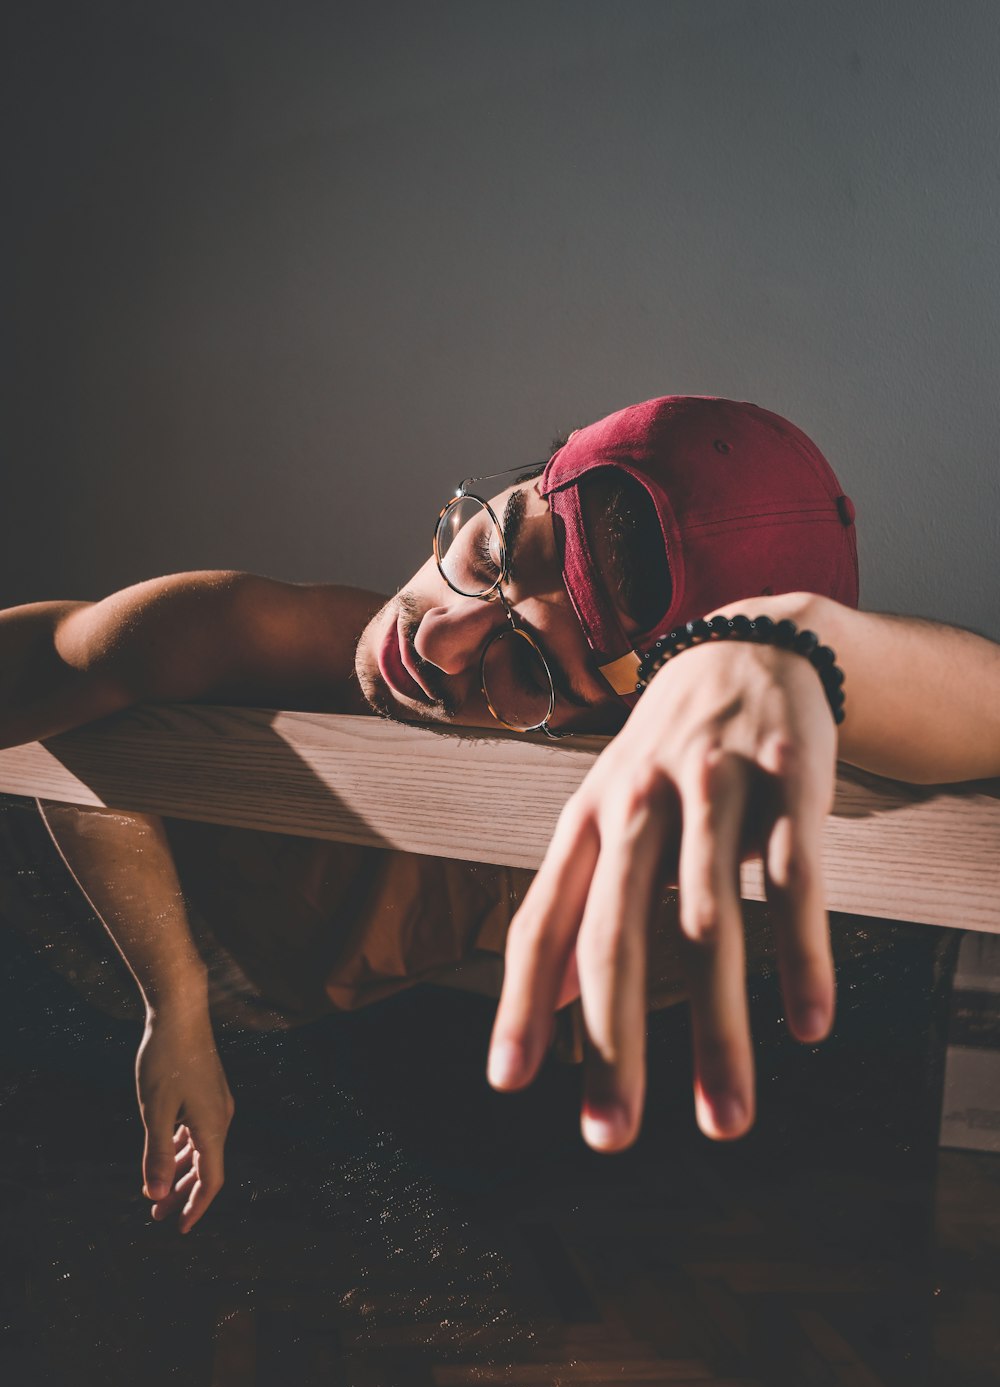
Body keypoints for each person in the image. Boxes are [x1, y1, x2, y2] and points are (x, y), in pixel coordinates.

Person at [1, 395, 995, 1230]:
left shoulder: (664, 807)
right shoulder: (250, 631)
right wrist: (171, 1002)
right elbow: (55, 693)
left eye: (527, 668)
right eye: (488, 551)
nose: (432, 636)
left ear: (619, 731)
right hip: (111, 957)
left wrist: (792, 645)